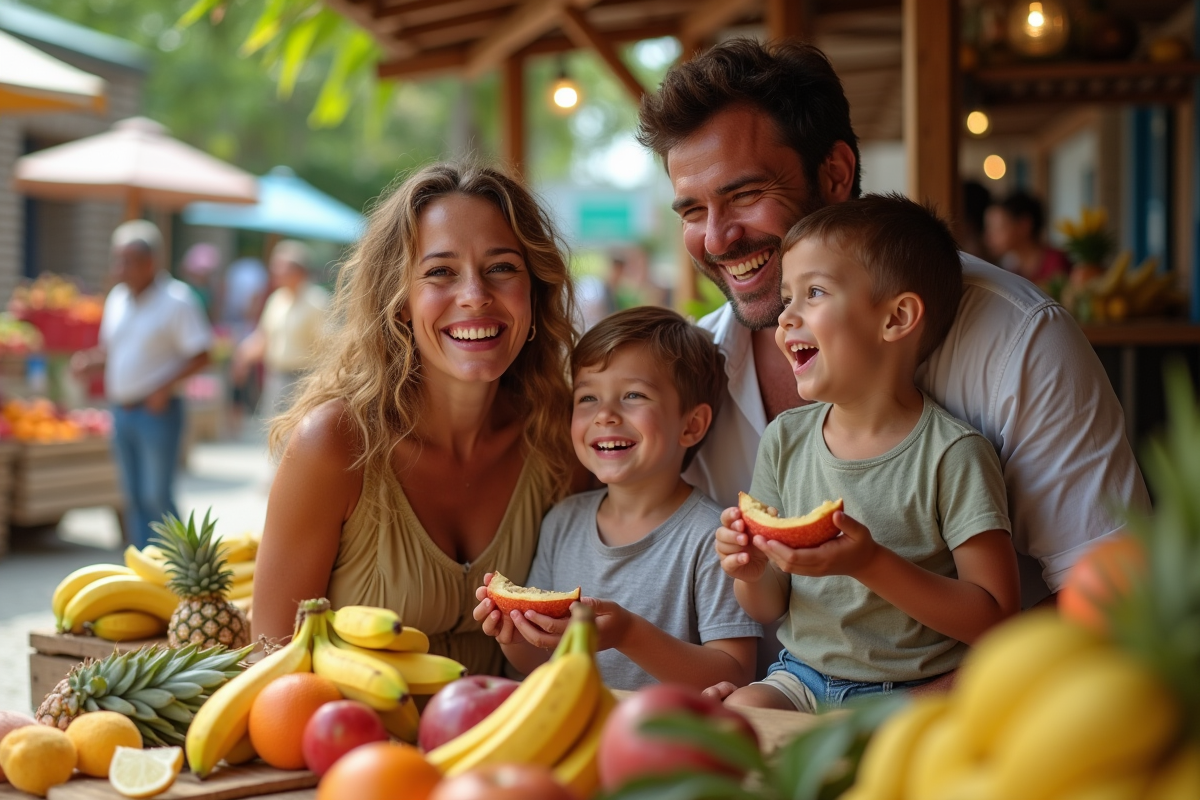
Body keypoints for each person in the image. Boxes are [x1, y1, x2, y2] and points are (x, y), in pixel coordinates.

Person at [637, 39, 1148, 623]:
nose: (717, 238)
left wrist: (928, 708)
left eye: (746, 194)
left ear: (833, 174)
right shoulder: (692, 361)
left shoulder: (1016, 337)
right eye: (692, 212)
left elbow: (1113, 588)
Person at [254, 162, 580, 679]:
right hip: (358, 752)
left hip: (516, 747)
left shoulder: (562, 438)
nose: (474, 294)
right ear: (400, 302)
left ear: (534, 292)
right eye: (440, 272)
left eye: (501, 268)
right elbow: (273, 664)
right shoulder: (334, 444)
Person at [710, 195, 1019, 711]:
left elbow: (995, 616)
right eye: (787, 298)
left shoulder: (953, 454)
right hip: (801, 679)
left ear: (896, 318)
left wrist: (869, 562)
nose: (786, 318)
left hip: (913, 694)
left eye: (813, 293)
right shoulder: (785, 439)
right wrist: (748, 569)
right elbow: (767, 605)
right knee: (734, 721)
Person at [473, 306, 761, 690]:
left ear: (691, 425)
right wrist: (512, 633)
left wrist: (629, 635)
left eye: (632, 395)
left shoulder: (713, 538)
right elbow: (540, 661)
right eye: (587, 398)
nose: (605, 415)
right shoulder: (562, 521)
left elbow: (736, 672)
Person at [70, 221, 213, 548]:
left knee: (157, 496)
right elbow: (114, 351)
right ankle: (145, 569)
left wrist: (162, 388)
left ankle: (181, 568)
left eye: (128, 261)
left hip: (157, 413)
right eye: (116, 260)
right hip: (122, 410)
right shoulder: (117, 298)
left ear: (152, 262)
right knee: (133, 497)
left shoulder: (177, 300)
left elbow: (202, 354)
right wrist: (92, 363)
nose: (120, 269)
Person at [232, 241, 330, 418]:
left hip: (304, 381)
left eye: (280, 267)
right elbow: (264, 337)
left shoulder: (317, 302)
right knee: (275, 436)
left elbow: (328, 347)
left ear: (299, 271)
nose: (274, 272)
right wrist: (243, 356)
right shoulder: (277, 299)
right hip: (276, 379)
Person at [984, 190, 1071, 286]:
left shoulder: (1056, 263)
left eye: (998, 228)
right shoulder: (1011, 269)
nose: (989, 237)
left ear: (1024, 225)